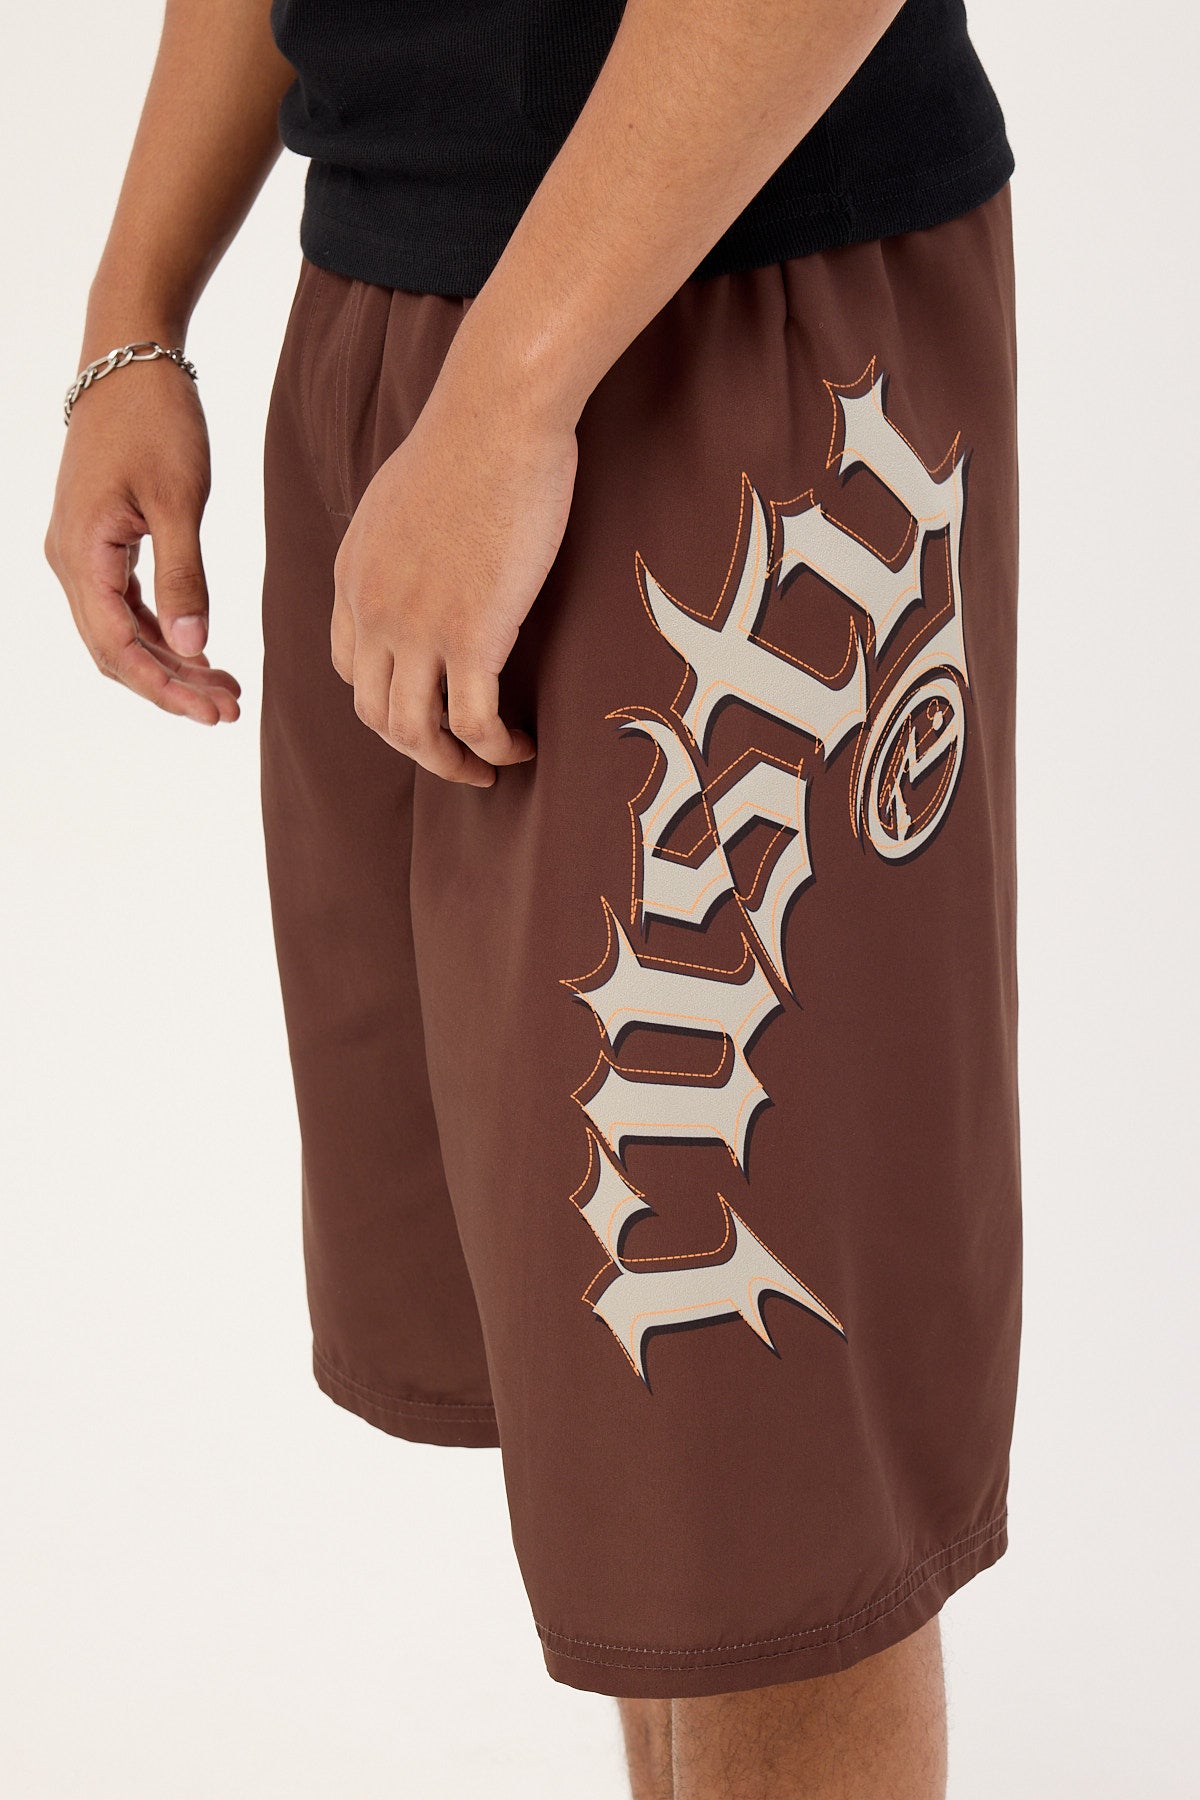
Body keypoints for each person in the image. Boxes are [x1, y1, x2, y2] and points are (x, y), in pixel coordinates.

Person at [44, 1, 1022, 1793]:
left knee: (766, 1483)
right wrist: (134, 319)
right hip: (403, 321)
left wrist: (510, 396)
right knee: (643, 1457)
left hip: (730, 311)